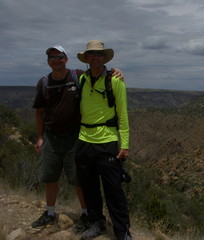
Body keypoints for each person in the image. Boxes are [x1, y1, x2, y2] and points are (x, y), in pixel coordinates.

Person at [31, 45, 124, 230]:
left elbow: (98, 72)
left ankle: (85, 214)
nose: (55, 60)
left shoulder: (78, 77)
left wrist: (115, 71)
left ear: (66, 59)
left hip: (76, 138)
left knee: (79, 179)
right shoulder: (43, 83)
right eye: (51, 57)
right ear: (48, 61)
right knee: (50, 177)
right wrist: (40, 137)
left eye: (59, 56)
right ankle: (50, 212)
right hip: (51, 138)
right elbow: (39, 112)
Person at [75, 40, 131, 240]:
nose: (94, 57)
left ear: (103, 58)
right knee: (89, 187)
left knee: (113, 190)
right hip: (83, 140)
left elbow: (123, 115)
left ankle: (122, 231)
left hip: (107, 141)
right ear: (86, 58)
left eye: (98, 54)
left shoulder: (115, 81)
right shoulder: (82, 79)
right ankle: (97, 222)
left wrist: (124, 144)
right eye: (90, 54)